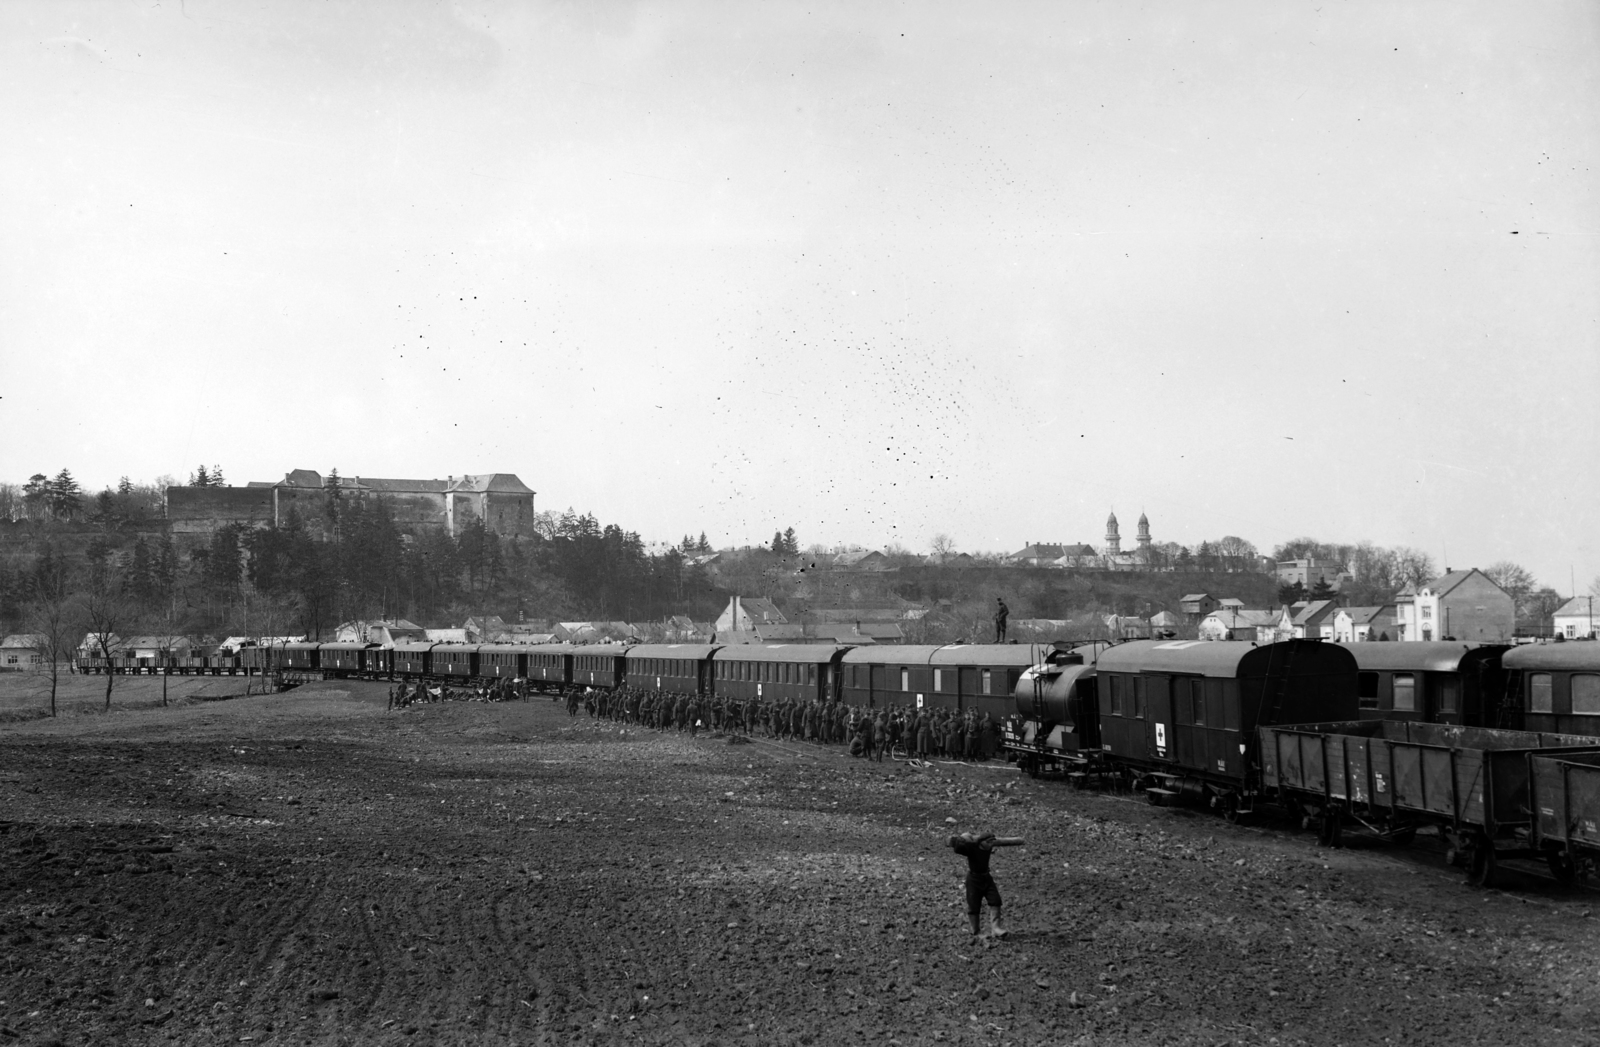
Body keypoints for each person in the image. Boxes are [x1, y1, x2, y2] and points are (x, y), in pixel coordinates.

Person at [948, 831, 1024, 937]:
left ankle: (996, 928)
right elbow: (958, 848)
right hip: (973, 880)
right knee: (974, 905)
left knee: (995, 900)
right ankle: (976, 932)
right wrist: (961, 838)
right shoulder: (972, 848)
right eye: (988, 842)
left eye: (992, 842)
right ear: (981, 842)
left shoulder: (989, 847)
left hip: (986, 878)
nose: (990, 845)